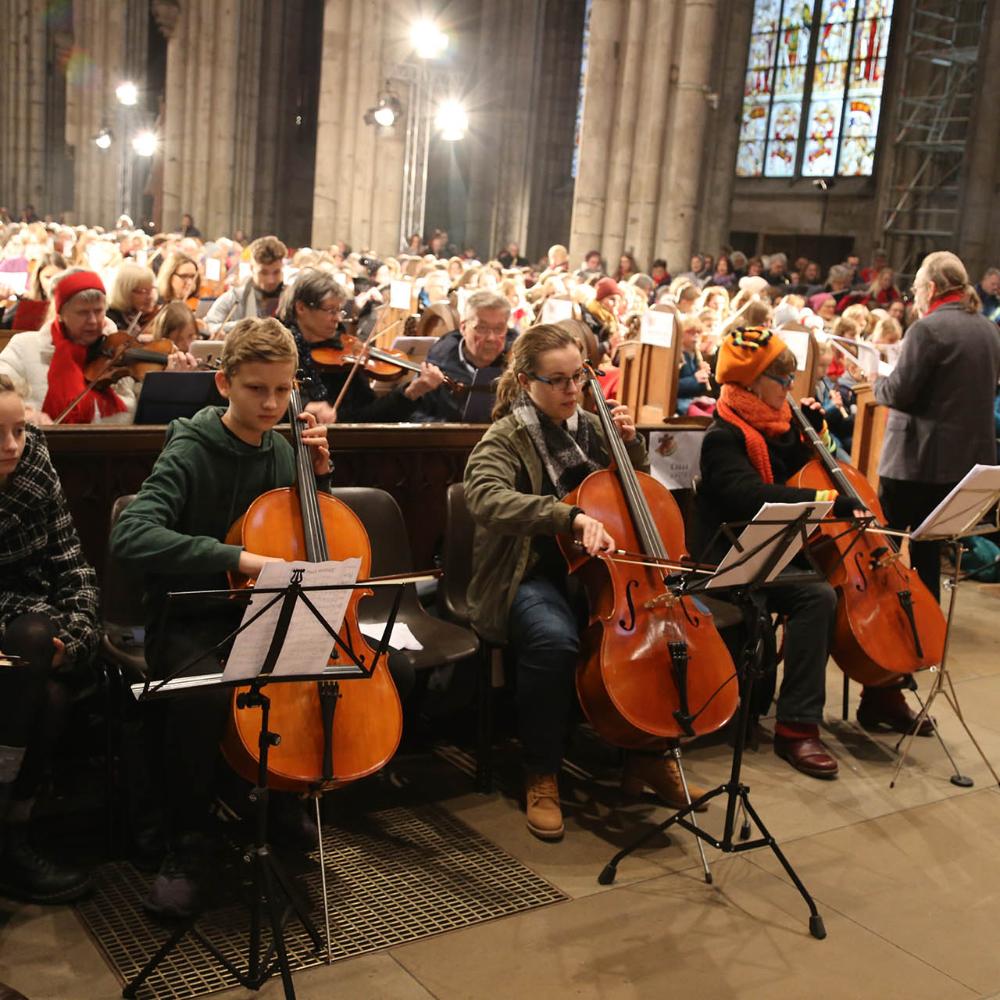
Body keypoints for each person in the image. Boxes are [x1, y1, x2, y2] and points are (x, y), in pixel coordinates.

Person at [109, 317, 333, 917]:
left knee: (310, 671)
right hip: (191, 616)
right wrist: (235, 556)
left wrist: (317, 479)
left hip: (261, 613)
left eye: (284, 390)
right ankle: (190, 840)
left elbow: (304, 537)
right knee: (202, 696)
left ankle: (281, 803)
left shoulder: (285, 449)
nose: (272, 403)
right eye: (257, 388)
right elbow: (132, 535)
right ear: (223, 383)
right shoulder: (189, 448)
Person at [464, 324, 705, 840]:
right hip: (529, 572)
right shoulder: (505, 436)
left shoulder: (595, 428)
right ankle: (542, 772)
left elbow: (633, 492)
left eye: (580, 376)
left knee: (674, 633)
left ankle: (647, 754)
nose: (573, 390)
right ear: (527, 380)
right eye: (559, 380)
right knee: (553, 641)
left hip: (609, 573)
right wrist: (563, 516)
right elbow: (484, 497)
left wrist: (632, 449)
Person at [695, 327, 931, 776]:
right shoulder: (722, 435)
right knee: (818, 596)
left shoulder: (789, 424)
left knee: (868, 588)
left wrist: (822, 431)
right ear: (749, 384)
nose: (790, 387)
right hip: (742, 550)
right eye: (781, 378)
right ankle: (797, 728)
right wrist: (831, 504)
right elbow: (749, 495)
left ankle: (881, 689)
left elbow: (834, 464)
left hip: (797, 543)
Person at [0, 373, 98, 902]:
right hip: (20, 628)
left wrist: (77, 636)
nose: (12, 446)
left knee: (48, 675)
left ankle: (8, 838)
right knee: (46, 682)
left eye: (18, 429)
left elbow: (73, 565)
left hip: (30, 638)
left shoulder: (35, 464)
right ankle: (12, 839)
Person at [875, 251, 1000, 603]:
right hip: (960, 468)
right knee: (928, 553)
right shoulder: (989, 329)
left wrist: (874, 379)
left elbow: (899, 392)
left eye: (915, 289)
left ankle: (886, 625)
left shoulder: (927, 329)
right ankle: (926, 631)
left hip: (915, 462)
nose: (914, 296)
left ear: (930, 287)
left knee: (883, 545)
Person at [280, 268, 443, 424]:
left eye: (339, 311)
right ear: (301, 308)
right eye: (330, 311)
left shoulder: (345, 352)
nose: (337, 318)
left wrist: (411, 393)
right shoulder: (278, 348)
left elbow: (368, 416)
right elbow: (263, 399)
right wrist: (305, 406)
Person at [0, 269, 137, 424]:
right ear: (61, 314)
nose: (92, 320)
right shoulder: (24, 347)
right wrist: (27, 413)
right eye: (82, 312)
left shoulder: (118, 352)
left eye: (98, 311)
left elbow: (137, 408)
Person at [414, 290, 516, 422]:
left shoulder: (516, 365)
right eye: (482, 328)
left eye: (498, 329)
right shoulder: (438, 362)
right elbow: (415, 414)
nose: (491, 338)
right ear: (463, 328)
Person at [205, 236, 287, 336]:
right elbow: (209, 325)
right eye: (263, 273)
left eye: (276, 272)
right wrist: (244, 326)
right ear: (252, 268)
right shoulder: (234, 297)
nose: (271, 280)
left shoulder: (291, 297)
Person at [1, 251, 66, 330]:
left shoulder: (71, 305)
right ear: (38, 279)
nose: (52, 283)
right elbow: (3, 329)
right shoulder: (27, 304)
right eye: (48, 277)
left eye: (57, 277)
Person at [105, 261, 159, 331]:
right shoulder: (111, 321)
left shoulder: (139, 315)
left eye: (152, 289)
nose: (150, 296)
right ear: (124, 291)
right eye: (142, 291)